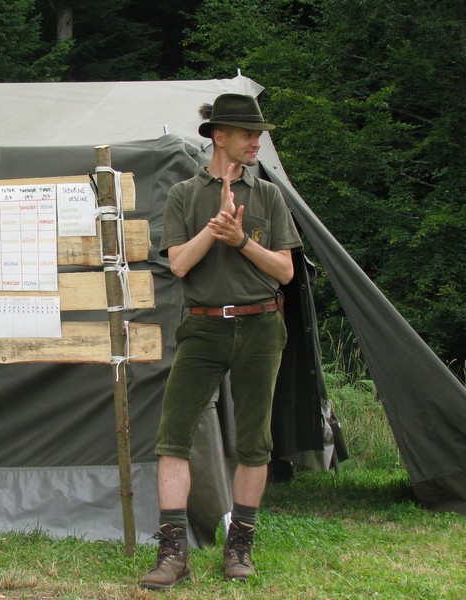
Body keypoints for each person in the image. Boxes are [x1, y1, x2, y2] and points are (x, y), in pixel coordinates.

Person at [140, 93, 303, 590]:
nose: (256, 142)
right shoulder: (184, 195)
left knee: (255, 442)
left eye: (258, 134)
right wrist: (215, 229)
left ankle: (240, 548)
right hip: (203, 327)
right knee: (172, 437)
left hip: (261, 327)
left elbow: (286, 271)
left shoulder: (268, 196)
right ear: (219, 136)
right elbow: (179, 264)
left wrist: (242, 240)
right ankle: (173, 554)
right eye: (248, 134)